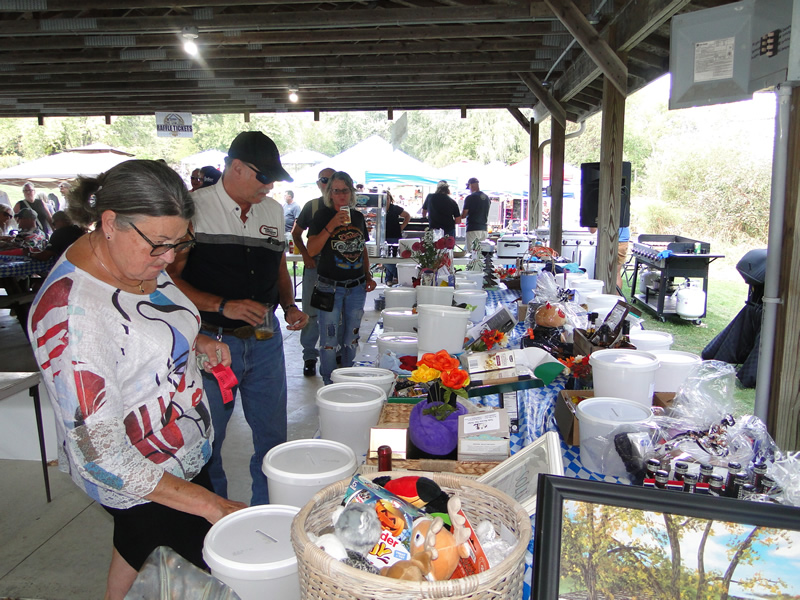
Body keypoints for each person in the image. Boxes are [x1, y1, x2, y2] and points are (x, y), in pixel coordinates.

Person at [27, 159, 247, 600]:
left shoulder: (136, 256)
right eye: (161, 245)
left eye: (180, 242)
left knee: (137, 549)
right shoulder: (74, 317)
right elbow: (103, 457)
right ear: (110, 223)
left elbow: (151, 318)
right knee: (199, 571)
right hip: (141, 475)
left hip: (182, 452)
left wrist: (194, 341)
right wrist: (209, 504)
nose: (170, 259)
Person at [168, 131, 308, 506]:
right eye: (264, 176)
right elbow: (166, 279)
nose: (270, 185)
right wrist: (220, 305)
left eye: (274, 178)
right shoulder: (193, 210)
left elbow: (278, 267)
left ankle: (267, 513)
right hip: (211, 340)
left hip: (264, 335)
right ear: (236, 168)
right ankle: (216, 518)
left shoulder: (272, 211)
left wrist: (289, 305)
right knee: (208, 440)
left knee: (273, 438)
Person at [306, 171, 377, 385]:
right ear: (330, 193)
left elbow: (361, 248)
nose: (341, 195)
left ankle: (348, 379)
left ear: (351, 192)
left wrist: (367, 275)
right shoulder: (321, 216)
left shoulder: (358, 217)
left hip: (356, 286)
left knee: (351, 338)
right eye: (336, 191)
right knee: (329, 339)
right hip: (329, 287)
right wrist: (332, 226)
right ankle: (329, 382)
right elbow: (311, 250)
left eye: (345, 190)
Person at [291, 166, 335, 377]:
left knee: (339, 312)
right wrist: (306, 257)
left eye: (333, 180)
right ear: (318, 184)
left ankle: (335, 353)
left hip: (338, 267)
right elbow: (296, 233)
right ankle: (309, 356)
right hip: (315, 265)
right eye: (324, 180)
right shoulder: (312, 206)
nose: (328, 184)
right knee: (310, 312)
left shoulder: (346, 207)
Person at [383, 190, 410, 284]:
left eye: (387, 198)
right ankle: (396, 275)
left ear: (390, 199)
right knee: (385, 258)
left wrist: (401, 227)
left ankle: (389, 279)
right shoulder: (379, 208)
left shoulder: (395, 208)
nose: (385, 200)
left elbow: (407, 216)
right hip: (382, 237)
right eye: (383, 198)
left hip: (394, 236)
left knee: (393, 257)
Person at [461, 177, 491, 251]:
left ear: (471, 185)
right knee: (482, 252)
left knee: (472, 253)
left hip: (473, 228)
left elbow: (464, 215)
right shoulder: (487, 198)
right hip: (484, 229)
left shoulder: (470, 198)